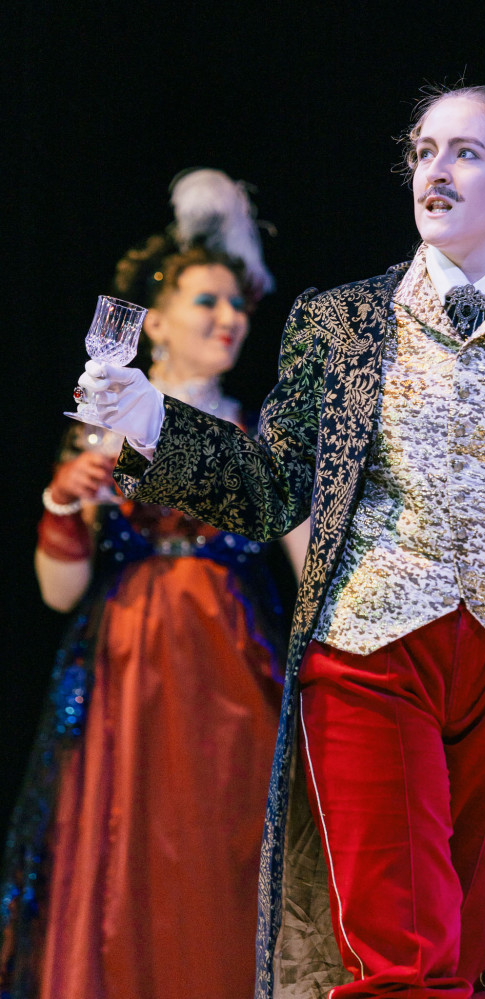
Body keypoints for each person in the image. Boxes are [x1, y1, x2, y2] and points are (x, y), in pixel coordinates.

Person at [71, 86, 485, 999]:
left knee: (461, 958)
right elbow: (274, 488)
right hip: (368, 654)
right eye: (424, 151)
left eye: (465, 152)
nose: (435, 171)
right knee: (400, 957)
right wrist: (151, 418)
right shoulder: (343, 321)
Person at [0, 170, 301, 999]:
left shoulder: (255, 433)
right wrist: (64, 504)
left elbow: (311, 561)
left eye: (237, 304)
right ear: (155, 321)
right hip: (127, 672)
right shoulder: (98, 429)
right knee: (123, 861)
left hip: (232, 671)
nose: (230, 317)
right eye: (207, 302)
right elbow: (59, 592)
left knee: (227, 852)